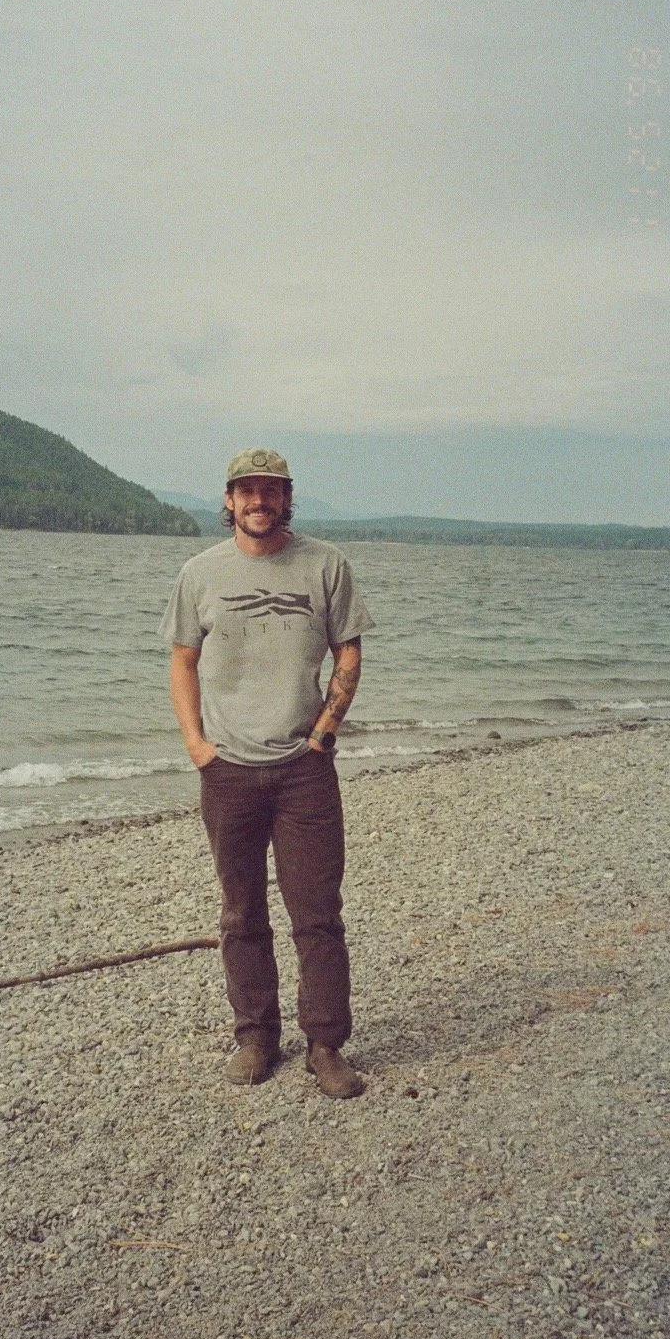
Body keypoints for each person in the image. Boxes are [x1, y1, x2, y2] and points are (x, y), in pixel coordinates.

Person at [159, 447, 373, 1098]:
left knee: (317, 913)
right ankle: (255, 1037)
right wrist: (197, 745)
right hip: (227, 770)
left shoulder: (325, 565)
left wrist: (324, 732)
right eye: (246, 491)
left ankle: (325, 1045)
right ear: (228, 500)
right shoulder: (199, 573)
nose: (259, 501)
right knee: (241, 911)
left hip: (304, 770)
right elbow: (182, 660)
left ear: (286, 498)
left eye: (270, 490)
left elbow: (348, 652)